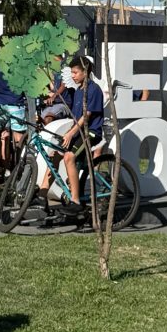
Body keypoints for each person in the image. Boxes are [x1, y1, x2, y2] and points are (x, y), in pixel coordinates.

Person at [57, 55, 104, 213]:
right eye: (71, 72)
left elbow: (86, 116)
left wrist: (71, 134)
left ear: (85, 71)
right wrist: (67, 132)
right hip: (79, 131)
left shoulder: (93, 90)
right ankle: (42, 194)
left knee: (69, 157)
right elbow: (76, 118)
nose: (73, 75)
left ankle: (75, 201)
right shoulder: (78, 91)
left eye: (75, 72)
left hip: (91, 133)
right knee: (55, 153)